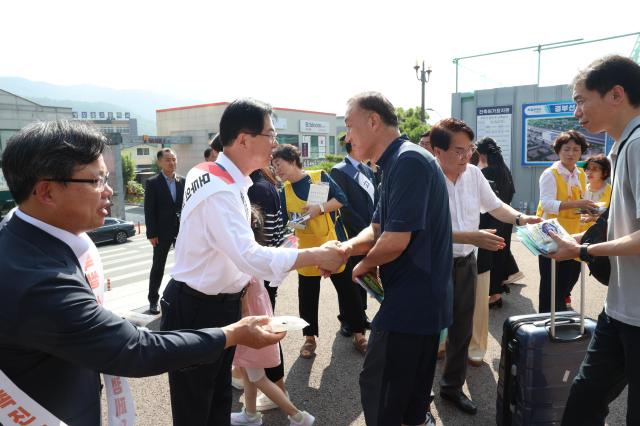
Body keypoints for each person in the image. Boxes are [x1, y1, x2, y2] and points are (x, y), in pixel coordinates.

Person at [0, 120, 285, 425]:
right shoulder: (37, 281)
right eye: (96, 181)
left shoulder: (27, 234)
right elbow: (134, 350)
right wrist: (232, 334)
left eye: (106, 178)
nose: (109, 191)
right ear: (46, 191)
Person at [160, 98, 348, 426]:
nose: (275, 144)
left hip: (216, 304)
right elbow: (249, 256)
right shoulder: (220, 188)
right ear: (244, 139)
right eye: (271, 135)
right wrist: (316, 254)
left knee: (217, 398)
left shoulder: (214, 174)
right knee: (197, 407)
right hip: (197, 308)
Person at [335, 91, 450, 426]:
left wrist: (362, 266)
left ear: (373, 121)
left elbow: (396, 240)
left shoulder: (408, 161)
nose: (347, 136)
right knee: (406, 398)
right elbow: (375, 229)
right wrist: (343, 249)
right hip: (414, 302)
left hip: (412, 306)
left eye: (349, 125)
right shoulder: (395, 162)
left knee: (383, 392)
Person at [546, 55, 640, 426]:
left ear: (616, 94)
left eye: (581, 99)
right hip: (620, 310)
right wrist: (595, 228)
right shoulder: (623, 146)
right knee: (584, 402)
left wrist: (583, 250)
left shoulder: (637, 145)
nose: (576, 111)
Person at [431, 118, 540, 414]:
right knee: (427, 330)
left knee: (462, 329)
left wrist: (520, 218)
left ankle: (451, 388)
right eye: (458, 151)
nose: (467, 156)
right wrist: (473, 236)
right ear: (437, 151)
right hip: (432, 265)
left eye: (470, 150)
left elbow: (494, 206)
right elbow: (423, 231)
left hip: (466, 263)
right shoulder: (427, 178)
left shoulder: (474, 176)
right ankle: (418, 393)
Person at [272, 144, 368, 357]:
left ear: (293, 160)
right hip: (305, 249)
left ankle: (359, 334)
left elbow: (341, 199)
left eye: (279, 164)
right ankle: (309, 338)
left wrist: (319, 208)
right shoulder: (284, 192)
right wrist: (296, 224)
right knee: (307, 295)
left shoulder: (319, 176)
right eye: (274, 166)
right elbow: (286, 223)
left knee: (348, 291)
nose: (276, 170)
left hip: (331, 244)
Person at [230, 207, 315, 426]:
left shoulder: (239, 261)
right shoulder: (253, 255)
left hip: (250, 326)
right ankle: (250, 414)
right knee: (250, 375)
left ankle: (298, 416)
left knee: (258, 377)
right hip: (259, 321)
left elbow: (240, 299)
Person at [244, 166, 289, 410]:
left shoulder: (254, 188)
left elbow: (258, 237)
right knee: (264, 328)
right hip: (266, 269)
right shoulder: (267, 185)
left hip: (257, 272)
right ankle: (265, 388)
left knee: (264, 332)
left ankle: (278, 389)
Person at [536, 130, 595, 313]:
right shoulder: (550, 174)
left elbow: (580, 200)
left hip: (575, 233)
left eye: (576, 149)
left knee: (570, 277)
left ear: (581, 152)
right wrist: (578, 203)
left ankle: (560, 315)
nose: (571, 153)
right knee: (551, 282)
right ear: (558, 151)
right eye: (566, 149)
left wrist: (589, 210)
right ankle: (545, 320)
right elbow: (546, 203)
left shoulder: (581, 174)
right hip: (551, 235)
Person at [330, 136, 378, 337]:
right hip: (351, 232)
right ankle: (347, 318)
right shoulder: (339, 170)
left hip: (368, 230)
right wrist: (364, 227)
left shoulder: (367, 170)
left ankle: (361, 314)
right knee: (348, 275)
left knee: (363, 272)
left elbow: (374, 201)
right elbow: (344, 205)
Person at [475, 137, 520, 308]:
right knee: (501, 255)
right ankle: (497, 293)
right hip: (505, 220)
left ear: (481, 154)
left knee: (488, 259)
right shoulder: (504, 170)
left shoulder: (485, 173)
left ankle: (492, 294)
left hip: (489, 220)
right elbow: (511, 194)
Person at [144, 148, 184, 314]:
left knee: (185, 264)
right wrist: (151, 233)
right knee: (158, 266)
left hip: (182, 230)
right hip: (161, 232)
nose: (172, 163)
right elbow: (149, 210)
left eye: (174, 159)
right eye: (167, 160)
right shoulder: (153, 183)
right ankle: (153, 300)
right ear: (159, 162)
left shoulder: (183, 181)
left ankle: (182, 298)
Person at [581, 154, 612, 225]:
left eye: (595, 169)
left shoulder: (612, 192)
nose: (590, 172)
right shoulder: (581, 189)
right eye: (588, 169)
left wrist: (594, 218)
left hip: (601, 232)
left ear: (605, 173)